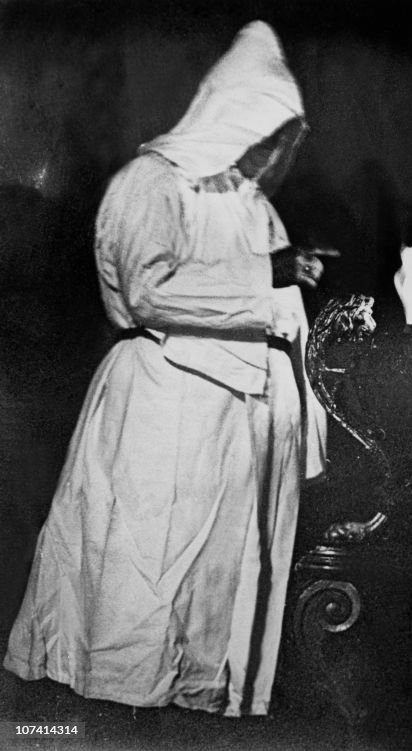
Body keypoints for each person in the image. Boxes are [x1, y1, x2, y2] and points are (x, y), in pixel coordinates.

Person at [3, 21, 331, 716]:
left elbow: (282, 313)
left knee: (216, 568)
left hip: (240, 412)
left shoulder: (258, 211)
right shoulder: (150, 183)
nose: (274, 154)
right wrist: (261, 275)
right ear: (233, 116)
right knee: (144, 552)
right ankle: (115, 705)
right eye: (268, 133)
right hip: (163, 399)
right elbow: (146, 293)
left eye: (285, 140)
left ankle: (197, 695)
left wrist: (304, 411)